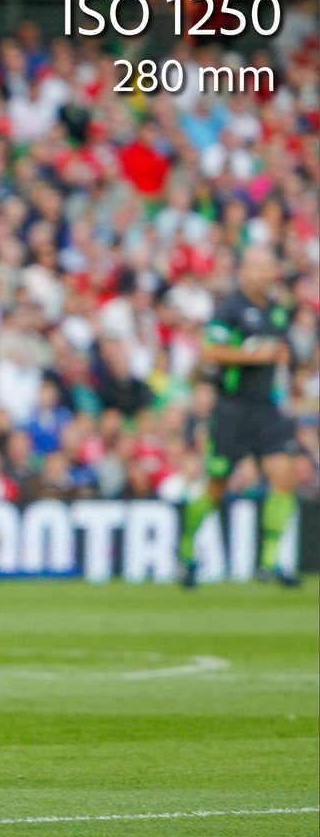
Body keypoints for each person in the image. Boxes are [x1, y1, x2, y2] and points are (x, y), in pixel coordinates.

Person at [178, 246, 301, 588]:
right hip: (232, 409)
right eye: (257, 267)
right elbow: (210, 349)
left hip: (265, 408)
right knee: (216, 484)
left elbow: (281, 352)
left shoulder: (277, 311)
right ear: (244, 271)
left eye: (268, 266)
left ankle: (270, 562)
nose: (264, 273)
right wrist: (252, 357)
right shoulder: (230, 309)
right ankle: (186, 550)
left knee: (284, 475)